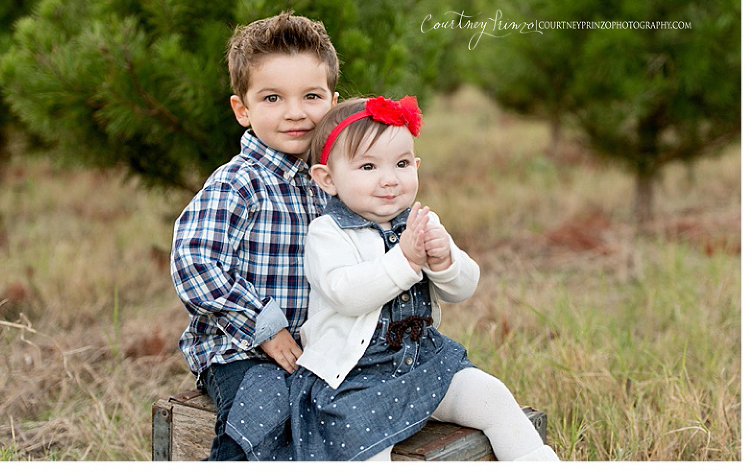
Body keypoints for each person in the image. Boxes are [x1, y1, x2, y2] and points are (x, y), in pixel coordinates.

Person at [225, 96, 560, 461]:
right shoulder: (328, 233)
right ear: (327, 179)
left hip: (425, 361)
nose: (388, 180)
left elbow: (461, 289)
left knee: (492, 397)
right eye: (367, 167)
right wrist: (405, 260)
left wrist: (445, 259)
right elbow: (346, 293)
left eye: (401, 164)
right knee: (365, 449)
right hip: (353, 380)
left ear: (416, 166)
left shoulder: (419, 222)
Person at [170, 11, 339, 460]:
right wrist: (264, 325)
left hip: (310, 349)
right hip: (238, 348)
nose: (295, 112)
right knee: (265, 410)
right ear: (242, 110)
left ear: (333, 101)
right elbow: (194, 263)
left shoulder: (328, 182)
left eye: (311, 96)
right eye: (272, 98)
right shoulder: (239, 183)